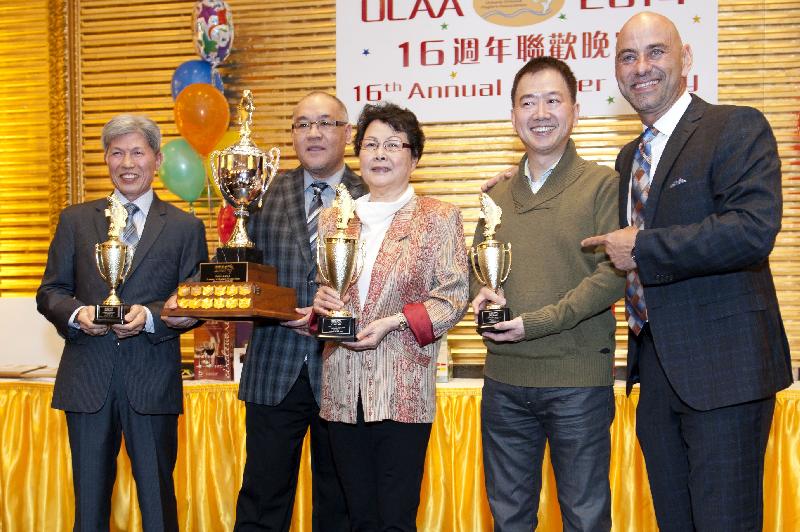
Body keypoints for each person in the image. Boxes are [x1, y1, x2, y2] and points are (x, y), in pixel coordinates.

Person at [581, 12, 793, 531]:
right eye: (628, 57)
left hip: (725, 374)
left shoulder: (734, 126)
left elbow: (751, 229)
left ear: (685, 58)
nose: (641, 67)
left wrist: (647, 247)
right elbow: (605, 242)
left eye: (656, 52)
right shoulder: (628, 156)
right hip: (654, 377)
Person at [471, 57, 624, 532]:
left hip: (576, 383)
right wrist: (481, 292)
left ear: (575, 111)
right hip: (504, 382)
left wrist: (536, 322)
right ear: (513, 115)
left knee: (584, 517)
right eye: (527, 102)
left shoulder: (603, 185)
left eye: (553, 100)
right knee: (509, 519)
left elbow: (612, 275)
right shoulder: (495, 196)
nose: (540, 112)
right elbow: (481, 265)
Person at [36, 114, 208, 531]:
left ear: (157, 158)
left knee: (157, 504)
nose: (127, 162)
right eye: (117, 152)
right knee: (89, 509)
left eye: (137, 151)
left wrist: (149, 317)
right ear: (106, 160)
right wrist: (79, 314)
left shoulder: (185, 227)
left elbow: (197, 298)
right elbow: (51, 292)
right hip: (88, 379)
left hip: (151, 380)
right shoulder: (75, 220)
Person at [311, 102, 469, 531]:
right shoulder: (335, 219)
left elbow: (453, 297)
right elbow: (327, 294)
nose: (380, 154)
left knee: (396, 518)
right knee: (356, 515)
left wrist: (393, 322)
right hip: (342, 387)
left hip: (401, 388)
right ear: (357, 153)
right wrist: (322, 304)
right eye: (371, 144)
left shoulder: (439, 218)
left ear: (414, 157)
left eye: (393, 145)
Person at [233, 91, 367, 532]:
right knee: (262, 498)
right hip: (275, 366)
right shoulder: (259, 192)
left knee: (341, 499)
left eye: (326, 123)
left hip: (347, 368)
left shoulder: (374, 194)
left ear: (347, 133)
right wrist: (284, 310)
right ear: (291, 135)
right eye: (302, 124)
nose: (314, 133)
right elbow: (239, 271)